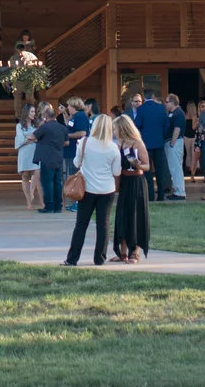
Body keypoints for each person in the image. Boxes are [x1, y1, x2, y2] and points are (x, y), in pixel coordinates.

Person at [64, 114, 121, 266]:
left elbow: (77, 163)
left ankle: (72, 258)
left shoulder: (84, 142)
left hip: (87, 189)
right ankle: (99, 258)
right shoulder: (113, 148)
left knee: (81, 224)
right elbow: (116, 172)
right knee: (103, 225)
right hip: (106, 189)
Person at [112, 114, 151, 261]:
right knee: (123, 216)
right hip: (125, 183)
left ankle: (135, 252)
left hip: (137, 182)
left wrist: (138, 164)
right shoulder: (120, 144)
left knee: (136, 216)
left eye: (115, 129)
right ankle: (122, 253)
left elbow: (147, 165)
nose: (114, 132)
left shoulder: (138, 143)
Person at [136, 91, 172, 202]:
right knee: (160, 170)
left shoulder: (141, 109)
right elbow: (167, 124)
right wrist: (162, 135)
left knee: (147, 170)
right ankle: (161, 195)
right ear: (153, 96)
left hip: (146, 144)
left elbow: (136, 125)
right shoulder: (160, 108)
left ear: (143, 97)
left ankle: (150, 195)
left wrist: (140, 137)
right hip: (159, 143)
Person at [33, 104, 70, 213]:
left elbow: (33, 136)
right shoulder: (63, 127)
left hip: (46, 157)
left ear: (46, 116)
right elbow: (67, 142)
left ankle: (49, 206)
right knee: (57, 182)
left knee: (47, 183)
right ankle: (58, 206)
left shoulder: (45, 127)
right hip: (58, 157)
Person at [15, 104, 43, 209]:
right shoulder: (19, 126)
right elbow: (20, 140)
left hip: (35, 152)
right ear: (26, 113)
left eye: (34, 112)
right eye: (32, 112)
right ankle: (28, 201)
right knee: (25, 176)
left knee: (37, 175)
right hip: (24, 153)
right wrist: (32, 139)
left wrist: (29, 138)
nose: (34, 114)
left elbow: (39, 137)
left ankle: (42, 201)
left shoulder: (36, 125)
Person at [164, 93, 188, 198]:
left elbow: (177, 129)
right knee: (173, 167)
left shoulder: (178, 113)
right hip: (172, 142)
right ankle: (176, 189)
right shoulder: (171, 113)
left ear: (173, 102)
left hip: (175, 142)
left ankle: (180, 192)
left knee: (176, 168)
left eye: (167, 101)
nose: (165, 104)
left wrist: (172, 143)